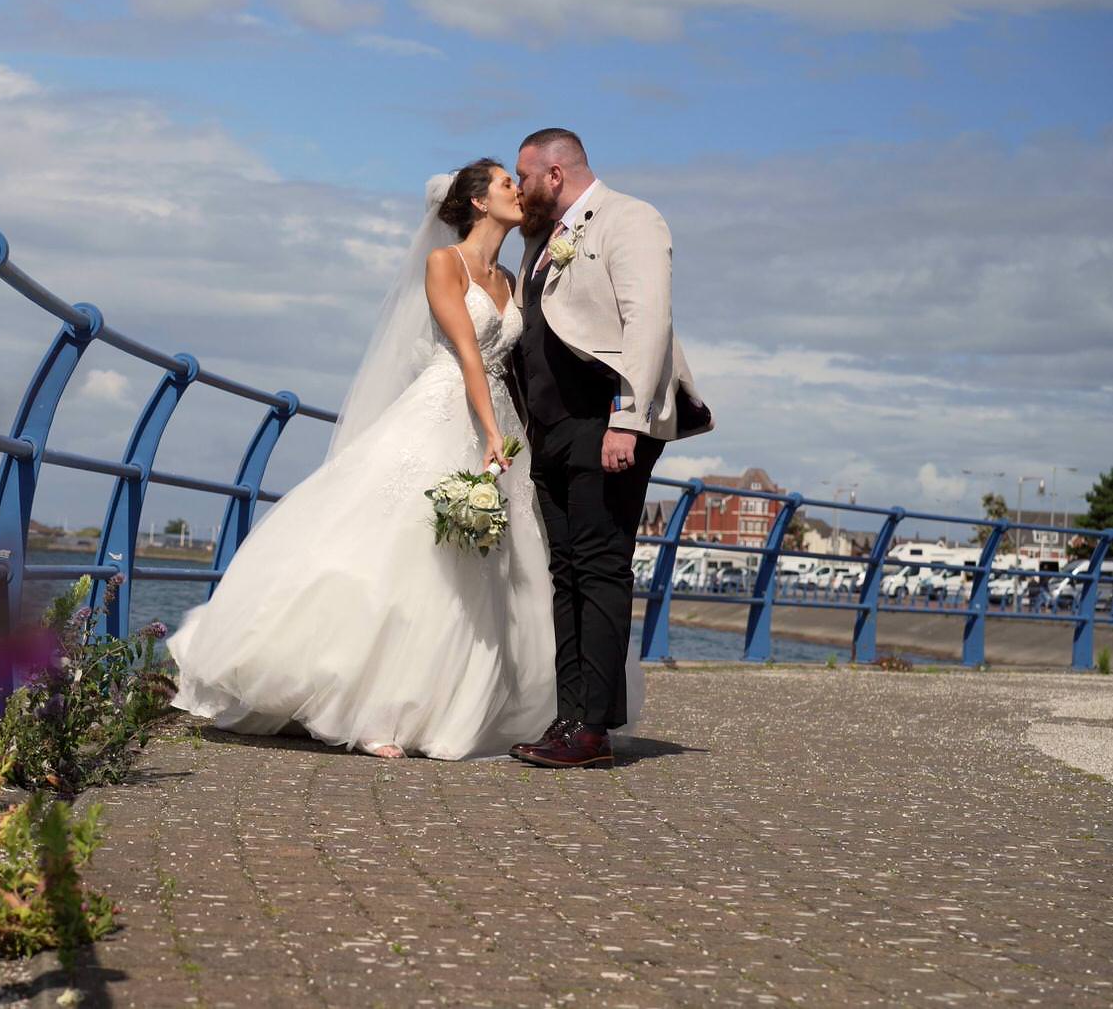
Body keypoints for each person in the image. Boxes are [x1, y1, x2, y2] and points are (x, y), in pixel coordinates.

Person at [167, 159, 557, 760]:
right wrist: (486, 433)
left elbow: (508, 365)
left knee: (477, 566)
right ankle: (373, 708)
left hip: (499, 418)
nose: (517, 190)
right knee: (402, 548)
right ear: (479, 202)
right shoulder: (442, 264)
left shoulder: (509, 279)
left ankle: (442, 706)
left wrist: (510, 433)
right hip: (447, 408)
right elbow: (467, 356)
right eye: (506, 182)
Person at [505, 128, 712, 769]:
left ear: (557, 173)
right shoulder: (541, 242)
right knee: (565, 572)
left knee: (599, 568)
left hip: (606, 420)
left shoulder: (630, 219)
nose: (519, 191)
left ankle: (592, 730)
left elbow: (647, 318)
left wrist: (629, 418)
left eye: (525, 177)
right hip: (553, 430)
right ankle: (570, 718)